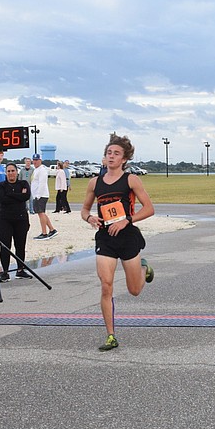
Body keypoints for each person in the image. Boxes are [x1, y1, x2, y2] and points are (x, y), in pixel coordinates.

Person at [81, 133, 155, 352]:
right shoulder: (94, 182)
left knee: (134, 290)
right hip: (105, 238)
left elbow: (149, 209)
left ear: (124, 159)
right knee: (106, 285)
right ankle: (111, 335)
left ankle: (144, 268)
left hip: (127, 237)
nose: (111, 156)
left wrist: (127, 220)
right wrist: (90, 218)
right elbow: (84, 209)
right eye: (108, 153)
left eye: (116, 153)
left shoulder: (131, 180)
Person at [0, 162, 32, 282]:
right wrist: (17, 195)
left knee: (20, 245)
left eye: (13, 171)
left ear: (17, 172)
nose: (11, 173)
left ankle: (20, 270)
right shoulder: (1, 185)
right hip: (5, 219)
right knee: (5, 245)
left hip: (21, 218)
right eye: (8, 171)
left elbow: (26, 196)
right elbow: (1, 199)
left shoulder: (23, 183)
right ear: (6, 173)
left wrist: (10, 195)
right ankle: (5, 272)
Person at [30, 153, 57, 239]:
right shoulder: (36, 170)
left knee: (41, 213)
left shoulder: (42, 170)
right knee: (42, 213)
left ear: (40, 160)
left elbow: (42, 183)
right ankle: (52, 230)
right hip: (36, 195)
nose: (35, 162)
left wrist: (38, 195)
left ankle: (44, 233)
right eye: (34, 160)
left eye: (36, 160)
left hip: (41, 195)